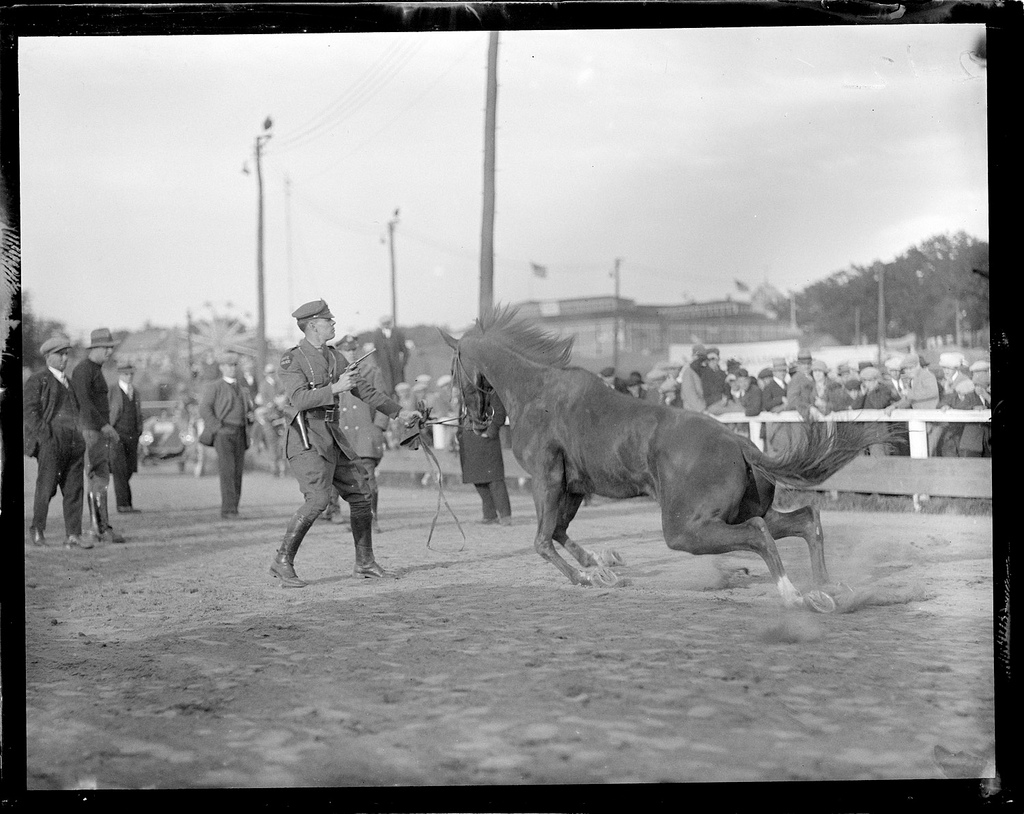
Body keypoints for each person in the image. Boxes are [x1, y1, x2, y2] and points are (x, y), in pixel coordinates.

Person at [270, 300, 420, 588]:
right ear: (313, 325)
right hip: (306, 437)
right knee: (317, 500)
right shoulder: (293, 359)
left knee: (361, 496)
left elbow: (365, 390)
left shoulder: (335, 357)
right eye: (329, 320)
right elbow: (299, 399)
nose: (334, 323)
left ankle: (364, 562)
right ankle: (282, 561)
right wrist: (335, 388)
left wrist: (399, 413)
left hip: (332, 436)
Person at [24, 335, 92, 549]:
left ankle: (73, 535)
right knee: (46, 488)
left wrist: (80, 437)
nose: (64, 358)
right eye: (60, 354)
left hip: (73, 443)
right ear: (48, 357)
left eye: (66, 354)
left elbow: (78, 412)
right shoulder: (38, 379)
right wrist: (46, 436)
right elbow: (29, 411)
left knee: (74, 489)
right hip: (52, 442)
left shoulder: (69, 383)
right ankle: (37, 530)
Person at [69, 327, 126, 544]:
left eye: (111, 348)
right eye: (106, 348)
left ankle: (101, 526)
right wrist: (105, 426)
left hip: (96, 431)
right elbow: (84, 403)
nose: (110, 352)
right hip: (91, 432)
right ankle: (97, 528)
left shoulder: (94, 369)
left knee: (100, 478)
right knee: (97, 477)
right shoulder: (84, 370)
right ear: (95, 348)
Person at [336, 332, 392, 532]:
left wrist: (378, 428)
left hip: (366, 435)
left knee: (368, 479)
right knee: (351, 482)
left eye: (353, 350)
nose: (350, 354)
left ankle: (372, 520)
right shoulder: (333, 375)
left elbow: (383, 401)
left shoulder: (370, 371)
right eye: (346, 350)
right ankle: (358, 521)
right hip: (344, 436)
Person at [198, 350, 254, 519]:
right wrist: (217, 427)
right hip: (224, 433)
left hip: (240, 433)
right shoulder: (214, 387)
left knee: (237, 471)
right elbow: (204, 409)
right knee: (227, 471)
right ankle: (228, 509)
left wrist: (250, 417)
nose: (232, 369)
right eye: (228, 365)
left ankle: (234, 508)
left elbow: (248, 411)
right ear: (221, 368)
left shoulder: (242, 389)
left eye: (234, 365)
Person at [457, 377, 512, 525]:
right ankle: (489, 515)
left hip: (486, 440)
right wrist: (459, 435)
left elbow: (499, 413)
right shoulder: (465, 393)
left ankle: (505, 516)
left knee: (494, 480)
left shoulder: (491, 392)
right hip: (469, 440)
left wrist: (490, 432)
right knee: (477, 479)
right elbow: (461, 416)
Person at [108, 360, 144, 513]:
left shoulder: (135, 392)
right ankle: (123, 504)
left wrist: (139, 430)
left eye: (131, 374)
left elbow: (138, 413)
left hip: (132, 435)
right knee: (119, 469)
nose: (129, 377)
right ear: (119, 374)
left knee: (129, 469)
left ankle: (126, 503)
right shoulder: (112, 391)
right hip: (117, 435)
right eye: (125, 374)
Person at [370, 314, 410, 396]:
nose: (386, 325)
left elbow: (405, 351)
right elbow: (375, 351)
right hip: (384, 367)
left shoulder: (398, 334)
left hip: (396, 367)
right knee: (386, 389)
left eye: (388, 323)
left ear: (390, 323)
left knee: (399, 389)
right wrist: (379, 364)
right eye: (384, 323)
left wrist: (402, 364)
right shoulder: (377, 335)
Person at [676, 345, 706, 412]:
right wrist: (701, 409)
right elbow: (689, 394)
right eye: (698, 357)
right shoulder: (688, 371)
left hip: (702, 408)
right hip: (692, 410)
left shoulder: (703, 370)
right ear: (693, 356)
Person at [700, 347, 729, 415]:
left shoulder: (722, 374)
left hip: (724, 403)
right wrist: (720, 398)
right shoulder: (704, 374)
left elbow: (727, 388)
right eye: (710, 359)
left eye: (715, 359)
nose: (713, 362)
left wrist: (726, 397)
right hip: (710, 405)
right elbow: (706, 393)